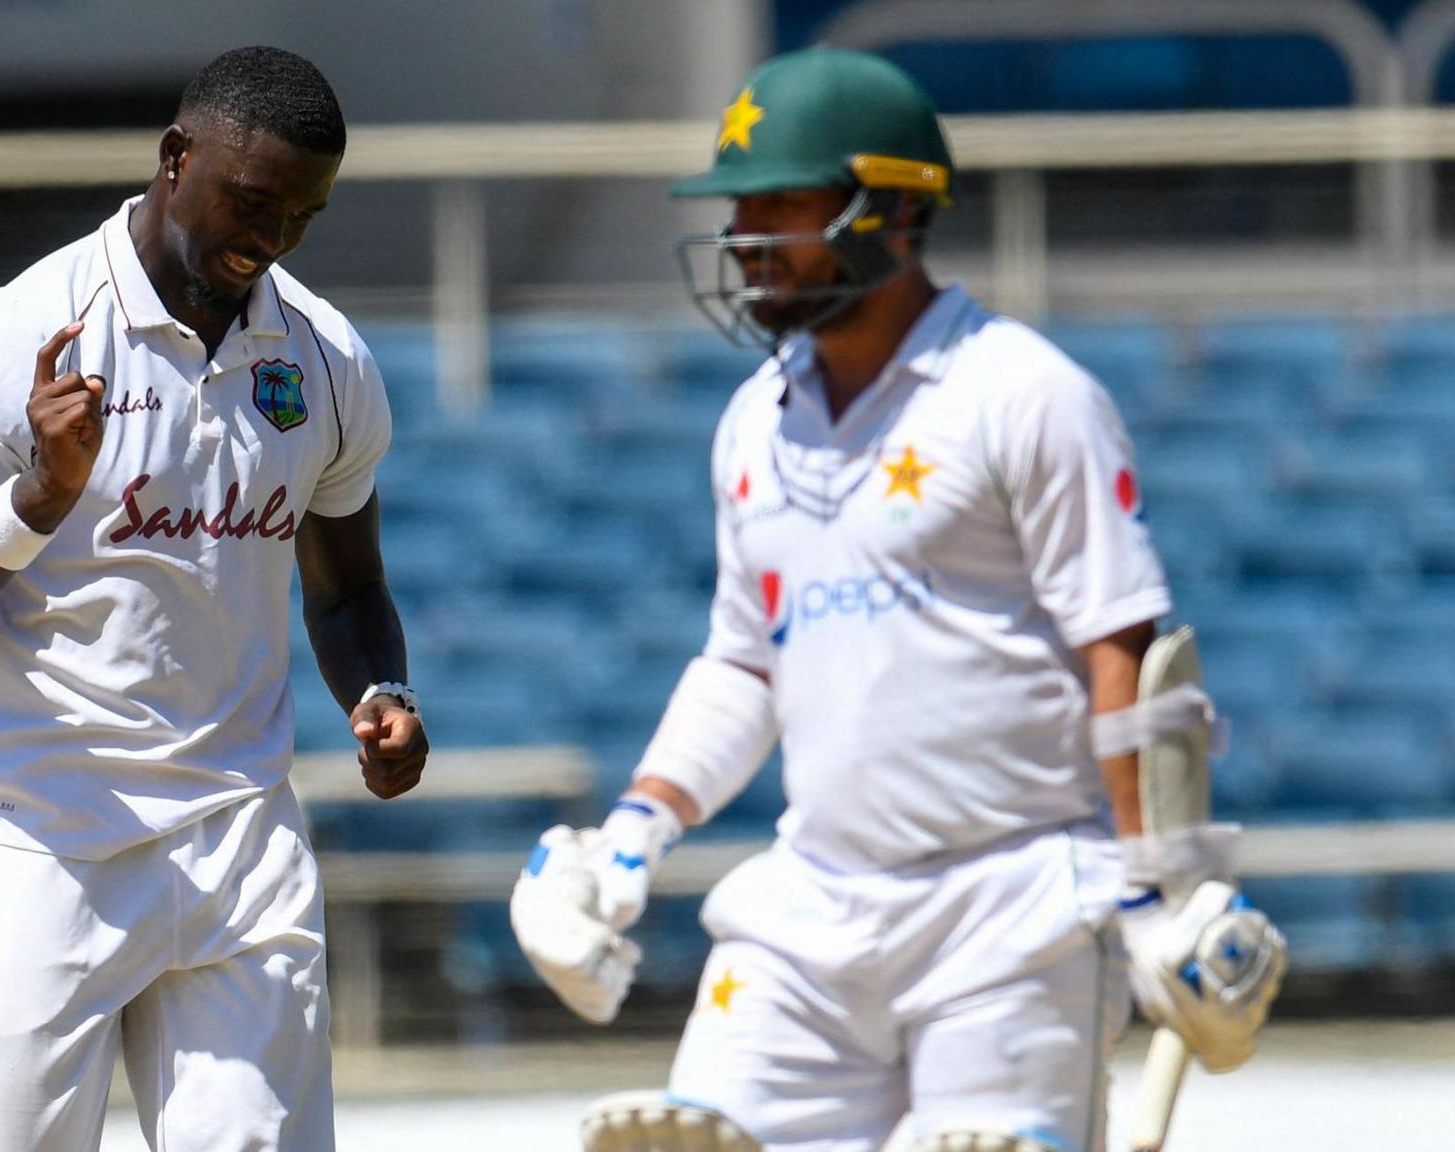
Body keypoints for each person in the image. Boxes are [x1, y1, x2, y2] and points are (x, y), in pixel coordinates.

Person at [509, 48, 1285, 1152]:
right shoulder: (751, 422)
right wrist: (634, 833)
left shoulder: (1024, 394)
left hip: (1016, 908)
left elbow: (1127, 657)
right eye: (738, 205)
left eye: (781, 202)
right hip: (810, 904)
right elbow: (742, 662)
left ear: (892, 210)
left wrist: (1158, 892)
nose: (743, 235)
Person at [0, 45, 427, 1152]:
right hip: (45, 840)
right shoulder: (26, 328)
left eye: (301, 218)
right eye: (253, 202)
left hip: (240, 836)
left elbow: (347, 584)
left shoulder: (325, 360)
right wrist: (38, 494)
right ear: (176, 158)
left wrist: (381, 691)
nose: (269, 240)